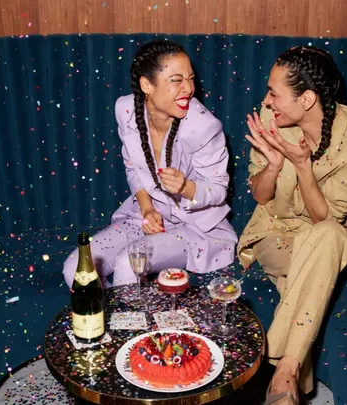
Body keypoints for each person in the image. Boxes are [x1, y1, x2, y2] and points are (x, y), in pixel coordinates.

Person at [238, 46, 347, 404]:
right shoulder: (272, 118)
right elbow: (260, 196)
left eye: (274, 92)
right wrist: (273, 166)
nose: (266, 100)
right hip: (276, 231)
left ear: (307, 98)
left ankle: (283, 377)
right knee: (316, 258)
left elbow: (325, 220)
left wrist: (303, 166)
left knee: (328, 235)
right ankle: (289, 376)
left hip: (332, 236)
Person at [63, 39, 237, 288]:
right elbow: (133, 167)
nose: (188, 88)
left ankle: (130, 325)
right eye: (177, 80)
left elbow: (219, 190)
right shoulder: (126, 110)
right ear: (147, 85)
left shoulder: (203, 127)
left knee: (128, 263)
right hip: (145, 216)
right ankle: (109, 320)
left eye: (190, 79)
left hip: (194, 227)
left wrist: (186, 187)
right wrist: (146, 209)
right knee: (77, 269)